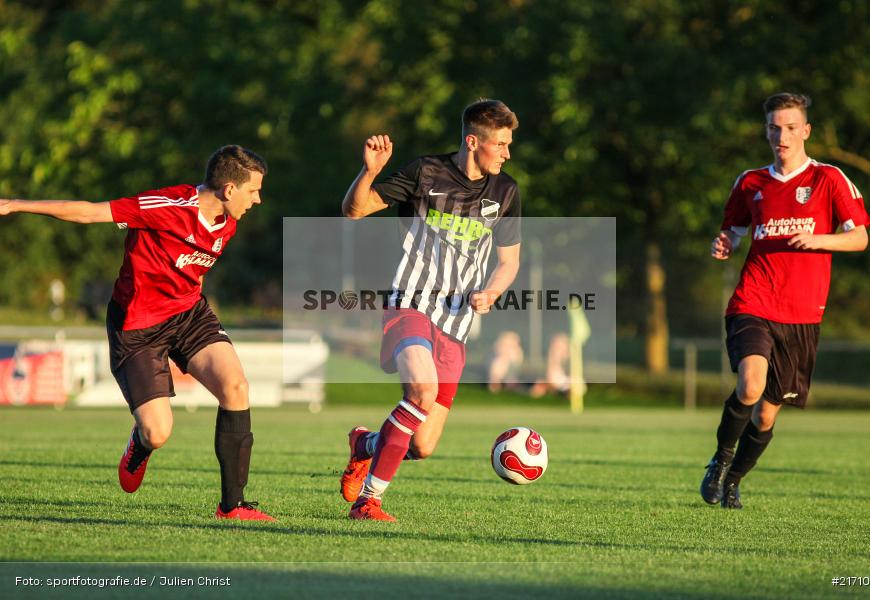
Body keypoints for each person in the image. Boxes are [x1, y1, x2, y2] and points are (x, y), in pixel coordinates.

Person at [0, 145, 276, 521]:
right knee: (159, 432)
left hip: (188, 314)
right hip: (137, 328)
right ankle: (140, 443)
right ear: (229, 189)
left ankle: (233, 506)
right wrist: (16, 204)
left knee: (236, 387)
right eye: (253, 190)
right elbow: (89, 212)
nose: (258, 199)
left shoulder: (228, 220)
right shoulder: (165, 206)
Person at [339, 99, 522, 521]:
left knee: (422, 445)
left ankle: (364, 445)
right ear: (473, 141)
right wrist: (370, 172)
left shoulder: (506, 191)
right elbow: (354, 211)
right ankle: (369, 501)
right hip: (411, 304)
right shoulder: (426, 172)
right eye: (502, 144)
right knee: (419, 392)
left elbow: (509, 262)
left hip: (456, 324)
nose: (508, 153)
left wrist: (491, 292)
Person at [701, 93, 870, 509]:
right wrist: (724, 242)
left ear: (806, 131)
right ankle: (719, 461)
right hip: (753, 301)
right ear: (766, 131)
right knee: (750, 384)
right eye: (774, 127)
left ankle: (735, 480)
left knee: (765, 415)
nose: (782, 135)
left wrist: (818, 239)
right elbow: (734, 231)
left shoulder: (829, 179)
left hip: (802, 315)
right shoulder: (750, 182)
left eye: (791, 127)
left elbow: (860, 237)